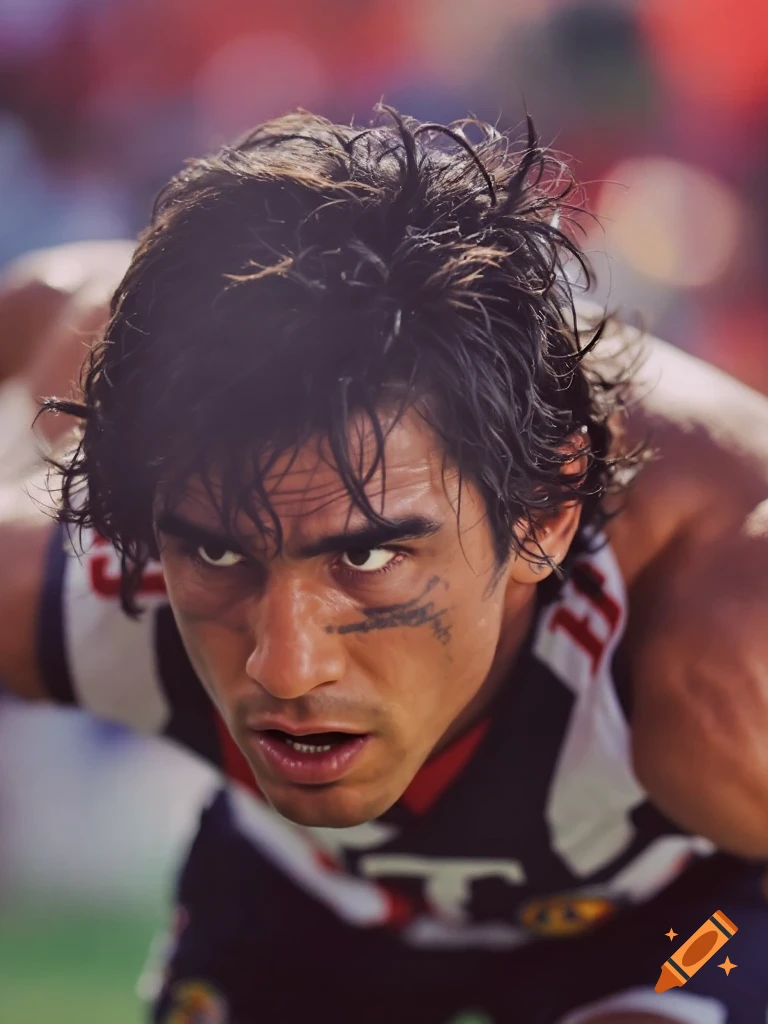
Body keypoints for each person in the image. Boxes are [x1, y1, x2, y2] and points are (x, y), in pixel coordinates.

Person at [3, 109, 768, 1024]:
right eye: (217, 551)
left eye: (366, 555)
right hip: (303, 895)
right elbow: (54, 294)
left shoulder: (728, 654)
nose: (285, 668)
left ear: (548, 517)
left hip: (685, 923)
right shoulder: (60, 576)